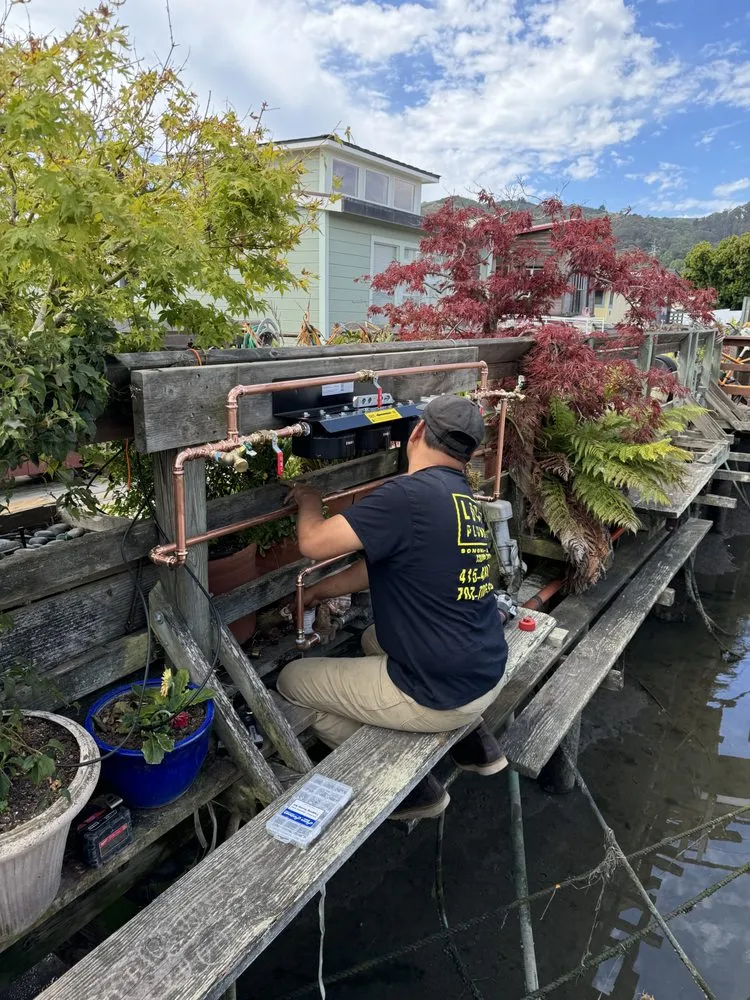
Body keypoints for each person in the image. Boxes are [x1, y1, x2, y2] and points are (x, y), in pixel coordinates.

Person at [277, 394, 509, 821]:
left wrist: (309, 501)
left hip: (441, 693)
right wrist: (318, 591)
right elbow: (377, 567)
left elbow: (312, 543)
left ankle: (408, 787)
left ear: (417, 431)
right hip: (485, 669)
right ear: (469, 453)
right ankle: (477, 744)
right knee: (371, 638)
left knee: (292, 682)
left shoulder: (407, 495)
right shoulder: (461, 495)